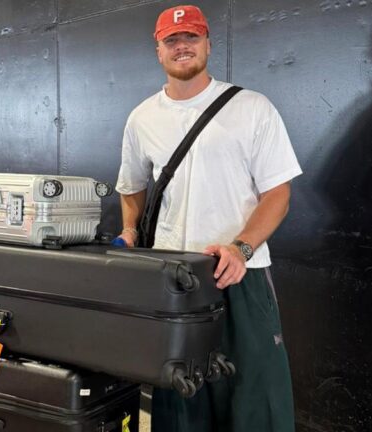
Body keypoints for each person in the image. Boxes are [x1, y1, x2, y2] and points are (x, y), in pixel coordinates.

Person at [115, 5, 302, 432]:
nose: (182, 46)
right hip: (173, 282)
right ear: (158, 50)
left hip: (240, 275)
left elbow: (278, 195)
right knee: (181, 407)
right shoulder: (142, 118)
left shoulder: (252, 108)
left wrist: (241, 248)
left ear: (208, 44)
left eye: (192, 37)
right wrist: (129, 229)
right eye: (172, 40)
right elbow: (131, 186)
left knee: (256, 402)